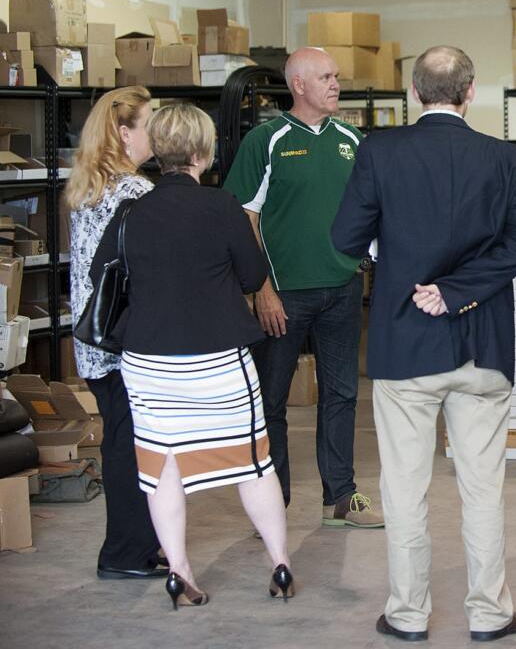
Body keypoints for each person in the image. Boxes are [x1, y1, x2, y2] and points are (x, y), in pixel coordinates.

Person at [331, 46, 516, 643]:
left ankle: (408, 615)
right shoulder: (505, 159)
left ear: (414, 92)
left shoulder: (379, 151)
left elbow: (347, 239)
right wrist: (460, 292)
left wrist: (405, 267)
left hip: (405, 343)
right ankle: (491, 614)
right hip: (484, 348)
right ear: (471, 92)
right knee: (482, 488)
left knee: (403, 489)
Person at [90, 103, 292, 610]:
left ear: (157, 151)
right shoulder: (222, 207)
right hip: (218, 356)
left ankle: (179, 573)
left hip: (148, 360)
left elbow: (101, 275)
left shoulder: (131, 210)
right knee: (253, 461)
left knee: (162, 465)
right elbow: (251, 277)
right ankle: (280, 564)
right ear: (204, 152)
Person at [222, 47, 382, 528]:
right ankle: (275, 501)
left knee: (342, 395)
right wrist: (261, 289)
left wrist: (366, 261)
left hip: (342, 290)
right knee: (270, 401)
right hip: (282, 297)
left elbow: (371, 211)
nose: (336, 84)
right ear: (298, 85)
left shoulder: (354, 140)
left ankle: (342, 495)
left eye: (336, 76)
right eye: (326, 77)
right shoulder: (265, 141)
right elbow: (242, 217)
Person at [66, 86, 163, 581]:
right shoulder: (135, 193)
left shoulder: (87, 185)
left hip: (93, 339)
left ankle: (139, 544)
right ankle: (125, 553)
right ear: (125, 134)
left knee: (121, 443)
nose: (157, 134)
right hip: (123, 341)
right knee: (130, 448)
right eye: (149, 125)